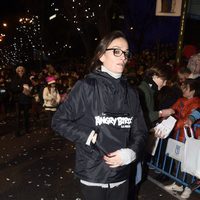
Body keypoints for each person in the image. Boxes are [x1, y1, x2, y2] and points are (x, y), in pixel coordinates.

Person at [52, 30, 147, 200]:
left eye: (126, 53)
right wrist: (86, 136)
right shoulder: (86, 87)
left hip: (122, 174)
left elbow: (140, 131)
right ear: (101, 55)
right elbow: (58, 120)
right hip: (93, 173)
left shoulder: (133, 93)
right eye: (116, 51)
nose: (123, 57)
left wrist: (131, 153)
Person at [10, 65, 32, 136]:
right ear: (17, 71)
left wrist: (29, 89)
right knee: (18, 116)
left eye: (22, 70)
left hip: (26, 99)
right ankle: (18, 131)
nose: (21, 71)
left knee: (26, 115)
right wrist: (22, 89)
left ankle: (27, 129)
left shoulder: (26, 78)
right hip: (18, 99)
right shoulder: (14, 78)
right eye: (19, 70)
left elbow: (31, 86)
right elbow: (12, 88)